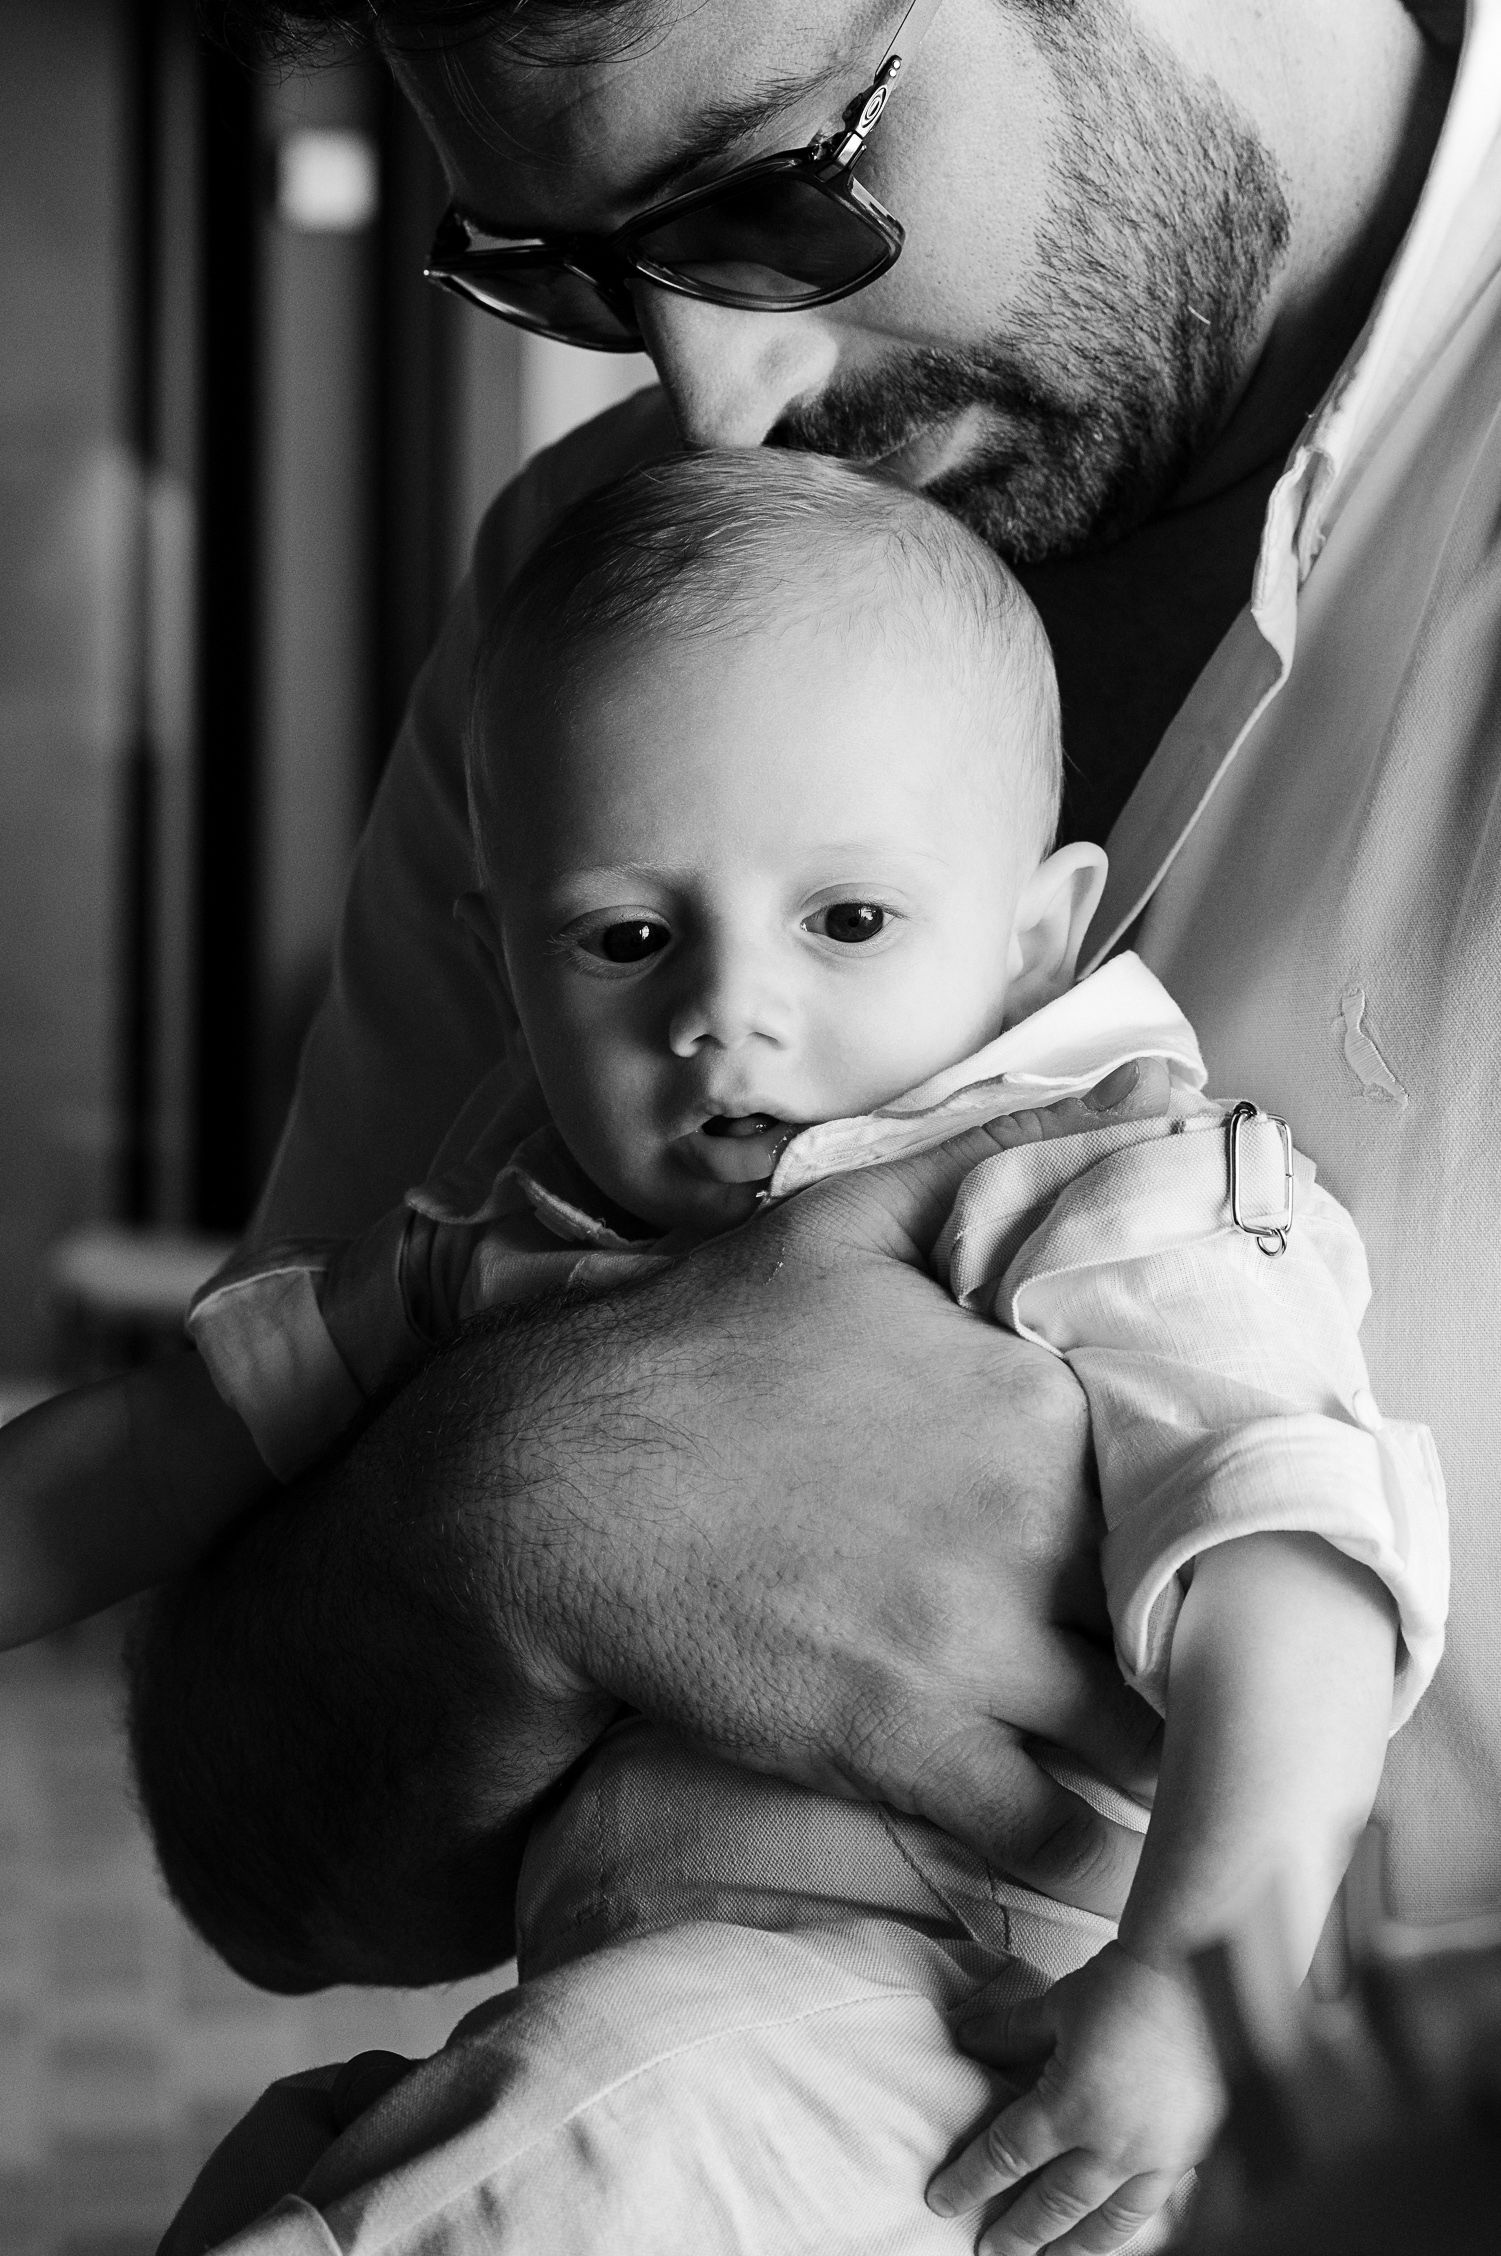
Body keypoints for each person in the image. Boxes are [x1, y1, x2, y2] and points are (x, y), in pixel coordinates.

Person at [137, 0, 1501, 2244]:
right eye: (560, 276)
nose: (708, 405)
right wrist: (519, 1505)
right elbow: (253, 1837)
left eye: (773, 193)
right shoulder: (585, 599)